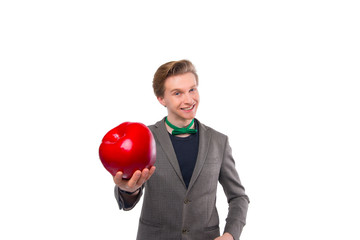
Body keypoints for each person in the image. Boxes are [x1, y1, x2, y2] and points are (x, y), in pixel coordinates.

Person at [113, 60, 249, 240]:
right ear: (161, 99)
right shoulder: (143, 139)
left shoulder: (219, 142)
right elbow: (127, 198)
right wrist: (129, 190)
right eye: (177, 93)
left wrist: (230, 235)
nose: (189, 100)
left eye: (192, 89)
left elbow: (239, 197)